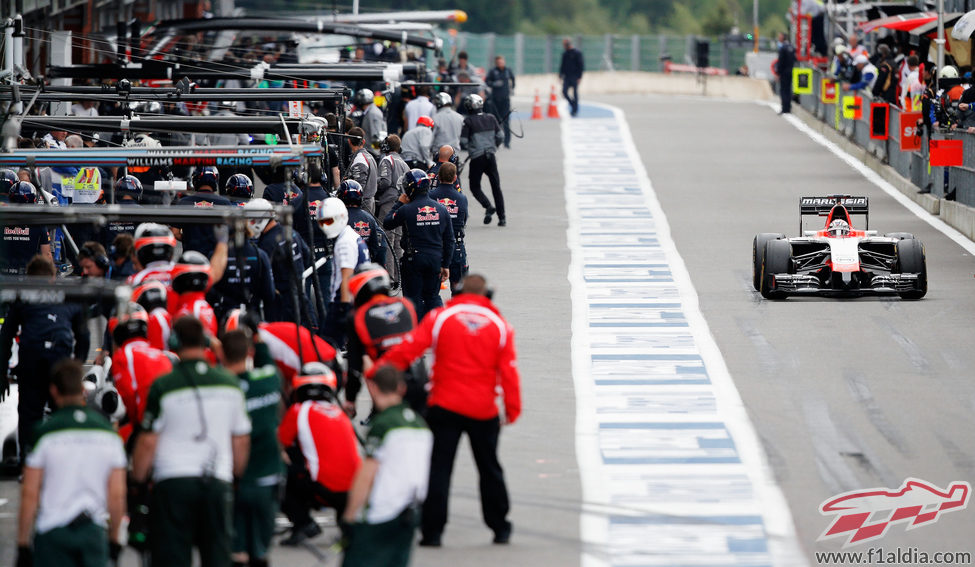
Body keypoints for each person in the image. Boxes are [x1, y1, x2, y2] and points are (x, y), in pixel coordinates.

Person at [369, 274, 521, 546]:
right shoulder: (500, 326)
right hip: (482, 408)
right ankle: (500, 527)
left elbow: (409, 348)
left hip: (445, 404)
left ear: (459, 292)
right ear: (487, 296)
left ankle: (433, 531)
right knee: (489, 468)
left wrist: (378, 369)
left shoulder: (440, 318)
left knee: (439, 469)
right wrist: (512, 408)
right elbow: (508, 372)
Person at [132, 316, 252, 567]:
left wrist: (138, 482)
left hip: (172, 484)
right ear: (205, 342)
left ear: (174, 342)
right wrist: (235, 478)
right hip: (217, 483)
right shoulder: (230, 384)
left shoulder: (163, 385)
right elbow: (240, 441)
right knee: (218, 556)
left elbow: (147, 442)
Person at [16, 360, 127, 567]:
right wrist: (114, 539)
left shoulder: (43, 433)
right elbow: (117, 494)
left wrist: (22, 543)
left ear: (54, 391)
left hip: (52, 533)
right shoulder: (107, 433)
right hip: (92, 532)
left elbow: (30, 493)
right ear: (83, 391)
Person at [0, 255, 90, 466]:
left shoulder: (22, 297)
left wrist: (2, 373)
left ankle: (28, 464)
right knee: (64, 411)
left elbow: (5, 337)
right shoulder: (69, 294)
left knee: (30, 413)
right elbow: (84, 336)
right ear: (52, 277)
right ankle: (64, 461)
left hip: (32, 359)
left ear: (30, 278)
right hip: (60, 360)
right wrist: (76, 368)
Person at [341, 366, 432, 567]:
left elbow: (367, 475)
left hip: (382, 512)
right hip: (410, 510)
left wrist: (349, 516)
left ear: (372, 388)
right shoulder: (420, 423)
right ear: (401, 388)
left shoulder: (382, 425)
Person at [278, 363, 361, 545]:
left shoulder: (299, 410)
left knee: (276, 468)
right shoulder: (339, 414)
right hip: (352, 490)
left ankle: (304, 523)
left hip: (323, 489)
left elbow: (278, 446)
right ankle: (346, 523)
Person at [221, 329, 283, 567]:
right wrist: (259, 341)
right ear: (249, 352)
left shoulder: (224, 388)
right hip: (267, 475)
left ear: (222, 356)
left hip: (235, 476)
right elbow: (267, 363)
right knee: (260, 550)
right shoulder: (269, 380)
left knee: (236, 550)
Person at [344, 264, 420, 417]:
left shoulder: (358, 316)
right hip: (417, 380)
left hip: (386, 387)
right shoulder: (407, 305)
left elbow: (354, 366)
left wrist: (350, 400)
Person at [382, 169, 454, 320]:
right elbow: (449, 240)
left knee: (413, 299)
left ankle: (416, 331)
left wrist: (398, 203)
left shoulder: (406, 209)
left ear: (410, 188)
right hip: (435, 260)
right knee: (432, 297)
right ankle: (440, 325)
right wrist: (446, 264)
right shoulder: (442, 209)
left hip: (413, 260)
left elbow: (387, 223)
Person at [109, 305, 173, 444]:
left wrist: (137, 425)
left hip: (147, 425)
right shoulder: (161, 355)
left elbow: (127, 394)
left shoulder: (123, 356)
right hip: (171, 423)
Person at [246, 198, 315, 327]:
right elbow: (307, 257)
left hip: (281, 308)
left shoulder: (266, 244)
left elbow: (263, 282)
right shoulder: (291, 233)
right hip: (301, 300)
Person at [316, 197, 369, 347]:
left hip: (343, 300)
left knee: (328, 348)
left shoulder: (344, 242)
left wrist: (343, 309)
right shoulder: (352, 236)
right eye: (321, 222)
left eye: (328, 221)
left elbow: (347, 277)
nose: (325, 226)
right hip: (355, 299)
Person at [460, 94, 506, 226]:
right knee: (496, 187)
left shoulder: (468, 121)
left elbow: (463, 141)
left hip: (476, 158)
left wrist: (471, 147)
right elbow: (501, 136)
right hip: (491, 156)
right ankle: (502, 218)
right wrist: (493, 146)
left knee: (474, 186)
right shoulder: (491, 118)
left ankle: (488, 206)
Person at [176, 166, 233, 258]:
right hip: (216, 257)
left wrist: (190, 238)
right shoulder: (225, 203)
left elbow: (175, 232)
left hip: (191, 257)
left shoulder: (183, 202)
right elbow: (231, 232)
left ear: (195, 180)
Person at [429, 162, 469, 294]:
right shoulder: (462, 198)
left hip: (435, 245)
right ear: (454, 178)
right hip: (456, 245)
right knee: (459, 289)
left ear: (439, 177)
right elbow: (464, 219)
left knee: (431, 291)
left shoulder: (431, 196)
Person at [0, 182, 52, 275]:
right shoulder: (39, 223)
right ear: (34, 200)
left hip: (4, 276)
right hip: (29, 276)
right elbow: (47, 255)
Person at [339, 180, 386, 267]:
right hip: (364, 266)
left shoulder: (340, 218)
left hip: (344, 265)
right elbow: (379, 245)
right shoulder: (369, 218)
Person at [346, 127, 379, 215]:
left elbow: (359, 186)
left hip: (363, 204)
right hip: (370, 201)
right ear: (363, 142)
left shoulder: (360, 159)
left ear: (349, 141)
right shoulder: (369, 156)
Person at [486, 55, 516, 148]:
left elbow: (513, 79)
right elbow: (487, 81)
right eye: (499, 62)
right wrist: (494, 84)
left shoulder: (508, 70)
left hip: (505, 100)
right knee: (496, 121)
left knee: (506, 121)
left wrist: (512, 88)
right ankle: (496, 141)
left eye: (502, 62)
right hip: (495, 100)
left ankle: (507, 142)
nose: (500, 64)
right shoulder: (492, 71)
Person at [355, 88, 386, 157]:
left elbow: (376, 135)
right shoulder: (370, 111)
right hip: (370, 151)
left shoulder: (373, 113)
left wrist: (376, 154)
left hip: (372, 153)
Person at [559, 38, 584, 117]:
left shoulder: (577, 53)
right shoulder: (565, 54)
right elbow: (562, 65)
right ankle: (573, 104)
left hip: (575, 76)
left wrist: (579, 77)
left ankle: (575, 110)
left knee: (575, 93)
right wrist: (560, 75)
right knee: (564, 92)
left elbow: (581, 66)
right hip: (567, 76)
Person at [776, 32, 796, 114]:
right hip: (791, 71)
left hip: (784, 72)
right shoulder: (791, 47)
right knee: (788, 89)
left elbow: (781, 62)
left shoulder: (783, 48)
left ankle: (784, 108)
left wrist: (778, 72)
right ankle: (788, 107)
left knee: (783, 90)